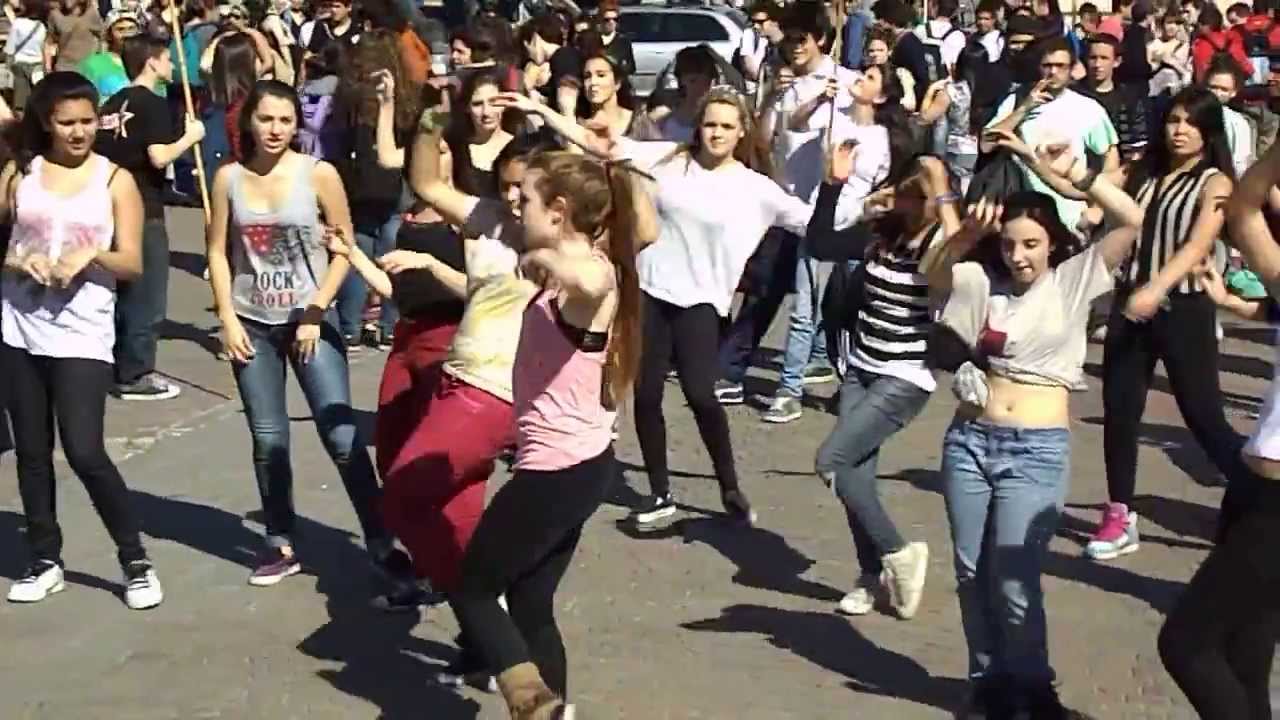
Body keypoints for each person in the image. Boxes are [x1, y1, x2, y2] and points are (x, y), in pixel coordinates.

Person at [408, 107, 650, 719]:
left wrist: (548, 263)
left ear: (560, 212)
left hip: (559, 472)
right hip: (578, 466)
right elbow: (429, 185)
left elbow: (593, 286)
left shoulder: (587, 271)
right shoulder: (570, 259)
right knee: (530, 601)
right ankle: (556, 711)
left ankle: (527, 699)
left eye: (530, 200)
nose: (517, 206)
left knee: (473, 588)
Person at [927, 163, 1143, 718]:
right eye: (1008, 244)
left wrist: (1085, 178)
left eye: (1031, 244)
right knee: (972, 572)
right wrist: (964, 236)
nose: (1018, 256)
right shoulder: (983, 283)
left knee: (1014, 576)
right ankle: (989, 685)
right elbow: (934, 276)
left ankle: (1036, 689)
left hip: (1036, 449)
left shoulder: (1073, 280)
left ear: (1053, 243)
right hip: (970, 442)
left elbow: (1130, 220)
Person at [205, 79, 398, 586]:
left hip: (310, 320)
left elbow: (343, 248)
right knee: (268, 439)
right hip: (252, 321)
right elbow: (218, 252)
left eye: (285, 120)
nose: (275, 129)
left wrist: (316, 310)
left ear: (298, 124)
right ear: (249, 121)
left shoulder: (318, 174)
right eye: (266, 119)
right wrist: (226, 317)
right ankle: (280, 542)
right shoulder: (228, 179)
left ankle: (381, 540)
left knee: (341, 435)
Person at [1, 71, 162, 610]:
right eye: (67, 122)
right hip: (18, 326)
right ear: (47, 123)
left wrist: (90, 255)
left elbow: (133, 262)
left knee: (85, 451)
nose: (79, 132)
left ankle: (135, 560)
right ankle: (45, 559)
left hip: (82, 331)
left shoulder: (114, 180)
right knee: (31, 453)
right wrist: (18, 261)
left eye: (88, 121)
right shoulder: (20, 172)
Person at [1158, 136, 1280, 720]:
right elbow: (1247, 207)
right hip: (1254, 485)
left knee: (1188, 646)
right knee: (1244, 655)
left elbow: (1247, 207)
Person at [812, 150, 954, 622]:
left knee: (831, 460)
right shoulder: (883, 233)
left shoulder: (939, 241)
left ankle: (899, 554)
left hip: (905, 375)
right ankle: (871, 576)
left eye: (922, 194)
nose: (912, 202)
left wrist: (942, 189)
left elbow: (956, 255)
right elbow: (821, 244)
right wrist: (835, 188)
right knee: (854, 478)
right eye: (908, 191)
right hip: (861, 366)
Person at [756, 3, 857, 424]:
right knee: (803, 308)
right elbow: (770, 135)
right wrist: (777, 96)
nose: (794, 47)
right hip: (797, 210)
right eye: (789, 40)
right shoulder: (784, 83)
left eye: (801, 39)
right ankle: (790, 388)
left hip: (842, 212)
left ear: (821, 40)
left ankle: (844, 387)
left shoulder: (847, 81)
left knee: (843, 310)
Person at [95, 35, 204, 401]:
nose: (172, 65)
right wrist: (190, 137)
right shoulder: (152, 104)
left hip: (109, 204)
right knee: (146, 294)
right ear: (152, 62)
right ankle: (135, 373)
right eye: (167, 59)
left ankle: (114, 364)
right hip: (143, 206)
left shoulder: (111, 104)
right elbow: (159, 156)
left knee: (120, 292)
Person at [332, 30, 418, 352]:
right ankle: (390, 326)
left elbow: (337, 141)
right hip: (395, 186)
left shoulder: (349, 95)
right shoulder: (406, 96)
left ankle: (350, 328)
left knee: (357, 257)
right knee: (393, 257)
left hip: (359, 185)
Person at [982, 36, 1119, 236]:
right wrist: (1024, 108)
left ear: (1072, 69)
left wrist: (1098, 209)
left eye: (1060, 66)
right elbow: (986, 144)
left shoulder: (1088, 108)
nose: (1053, 72)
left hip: (1070, 218)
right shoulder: (1016, 100)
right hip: (1020, 215)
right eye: (1047, 65)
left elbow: (1110, 157)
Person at [1075, 34, 1149, 164]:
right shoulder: (1074, 95)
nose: (1097, 64)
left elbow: (1138, 142)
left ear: (1116, 61)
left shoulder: (1130, 98)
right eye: (1093, 58)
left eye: (1104, 58)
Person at [77, 9, 139, 105]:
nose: (127, 34)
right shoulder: (93, 64)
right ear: (109, 35)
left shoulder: (149, 62)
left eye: (131, 28)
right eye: (120, 29)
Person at [1192, 4, 1253, 81]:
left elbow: (1201, 73)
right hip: (1232, 82)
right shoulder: (1232, 37)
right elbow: (1246, 67)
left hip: (1211, 84)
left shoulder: (1200, 44)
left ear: (1200, 25)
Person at [5, 0, 47, 111]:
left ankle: (22, 118)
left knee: (20, 102)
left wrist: (8, 65)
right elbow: (43, 48)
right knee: (38, 97)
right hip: (37, 65)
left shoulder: (18, 23)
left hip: (19, 63)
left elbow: (10, 47)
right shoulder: (41, 26)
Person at [45, 0, 103, 73]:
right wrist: (48, 66)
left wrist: (99, 62)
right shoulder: (55, 14)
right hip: (64, 67)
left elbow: (102, 39)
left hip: (87, 69)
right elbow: (49, 42)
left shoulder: (91, 13)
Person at [595, 0, 633, 78]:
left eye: (615, 19)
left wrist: (617, 66)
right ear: (600, 20)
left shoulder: (623, 42)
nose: (611, 22)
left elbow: (631, 68)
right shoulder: (592, 39)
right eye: (607, 19)